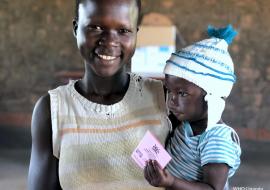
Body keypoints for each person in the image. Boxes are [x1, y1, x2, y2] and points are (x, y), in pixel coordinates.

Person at [28, 0, 170, 189]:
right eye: (96, 27)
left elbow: (212, 160)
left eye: (123, 30)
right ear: (76, 28)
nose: (110, 41)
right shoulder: (52, 110)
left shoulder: (166, 99)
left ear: (136, 32)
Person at [143, 25, 241, 190]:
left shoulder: (216, 139)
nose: (171, 101)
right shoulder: (186, 123)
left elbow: (212, 188)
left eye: (182, 93)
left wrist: (171, 182)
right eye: (169, 91)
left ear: (212, 95)